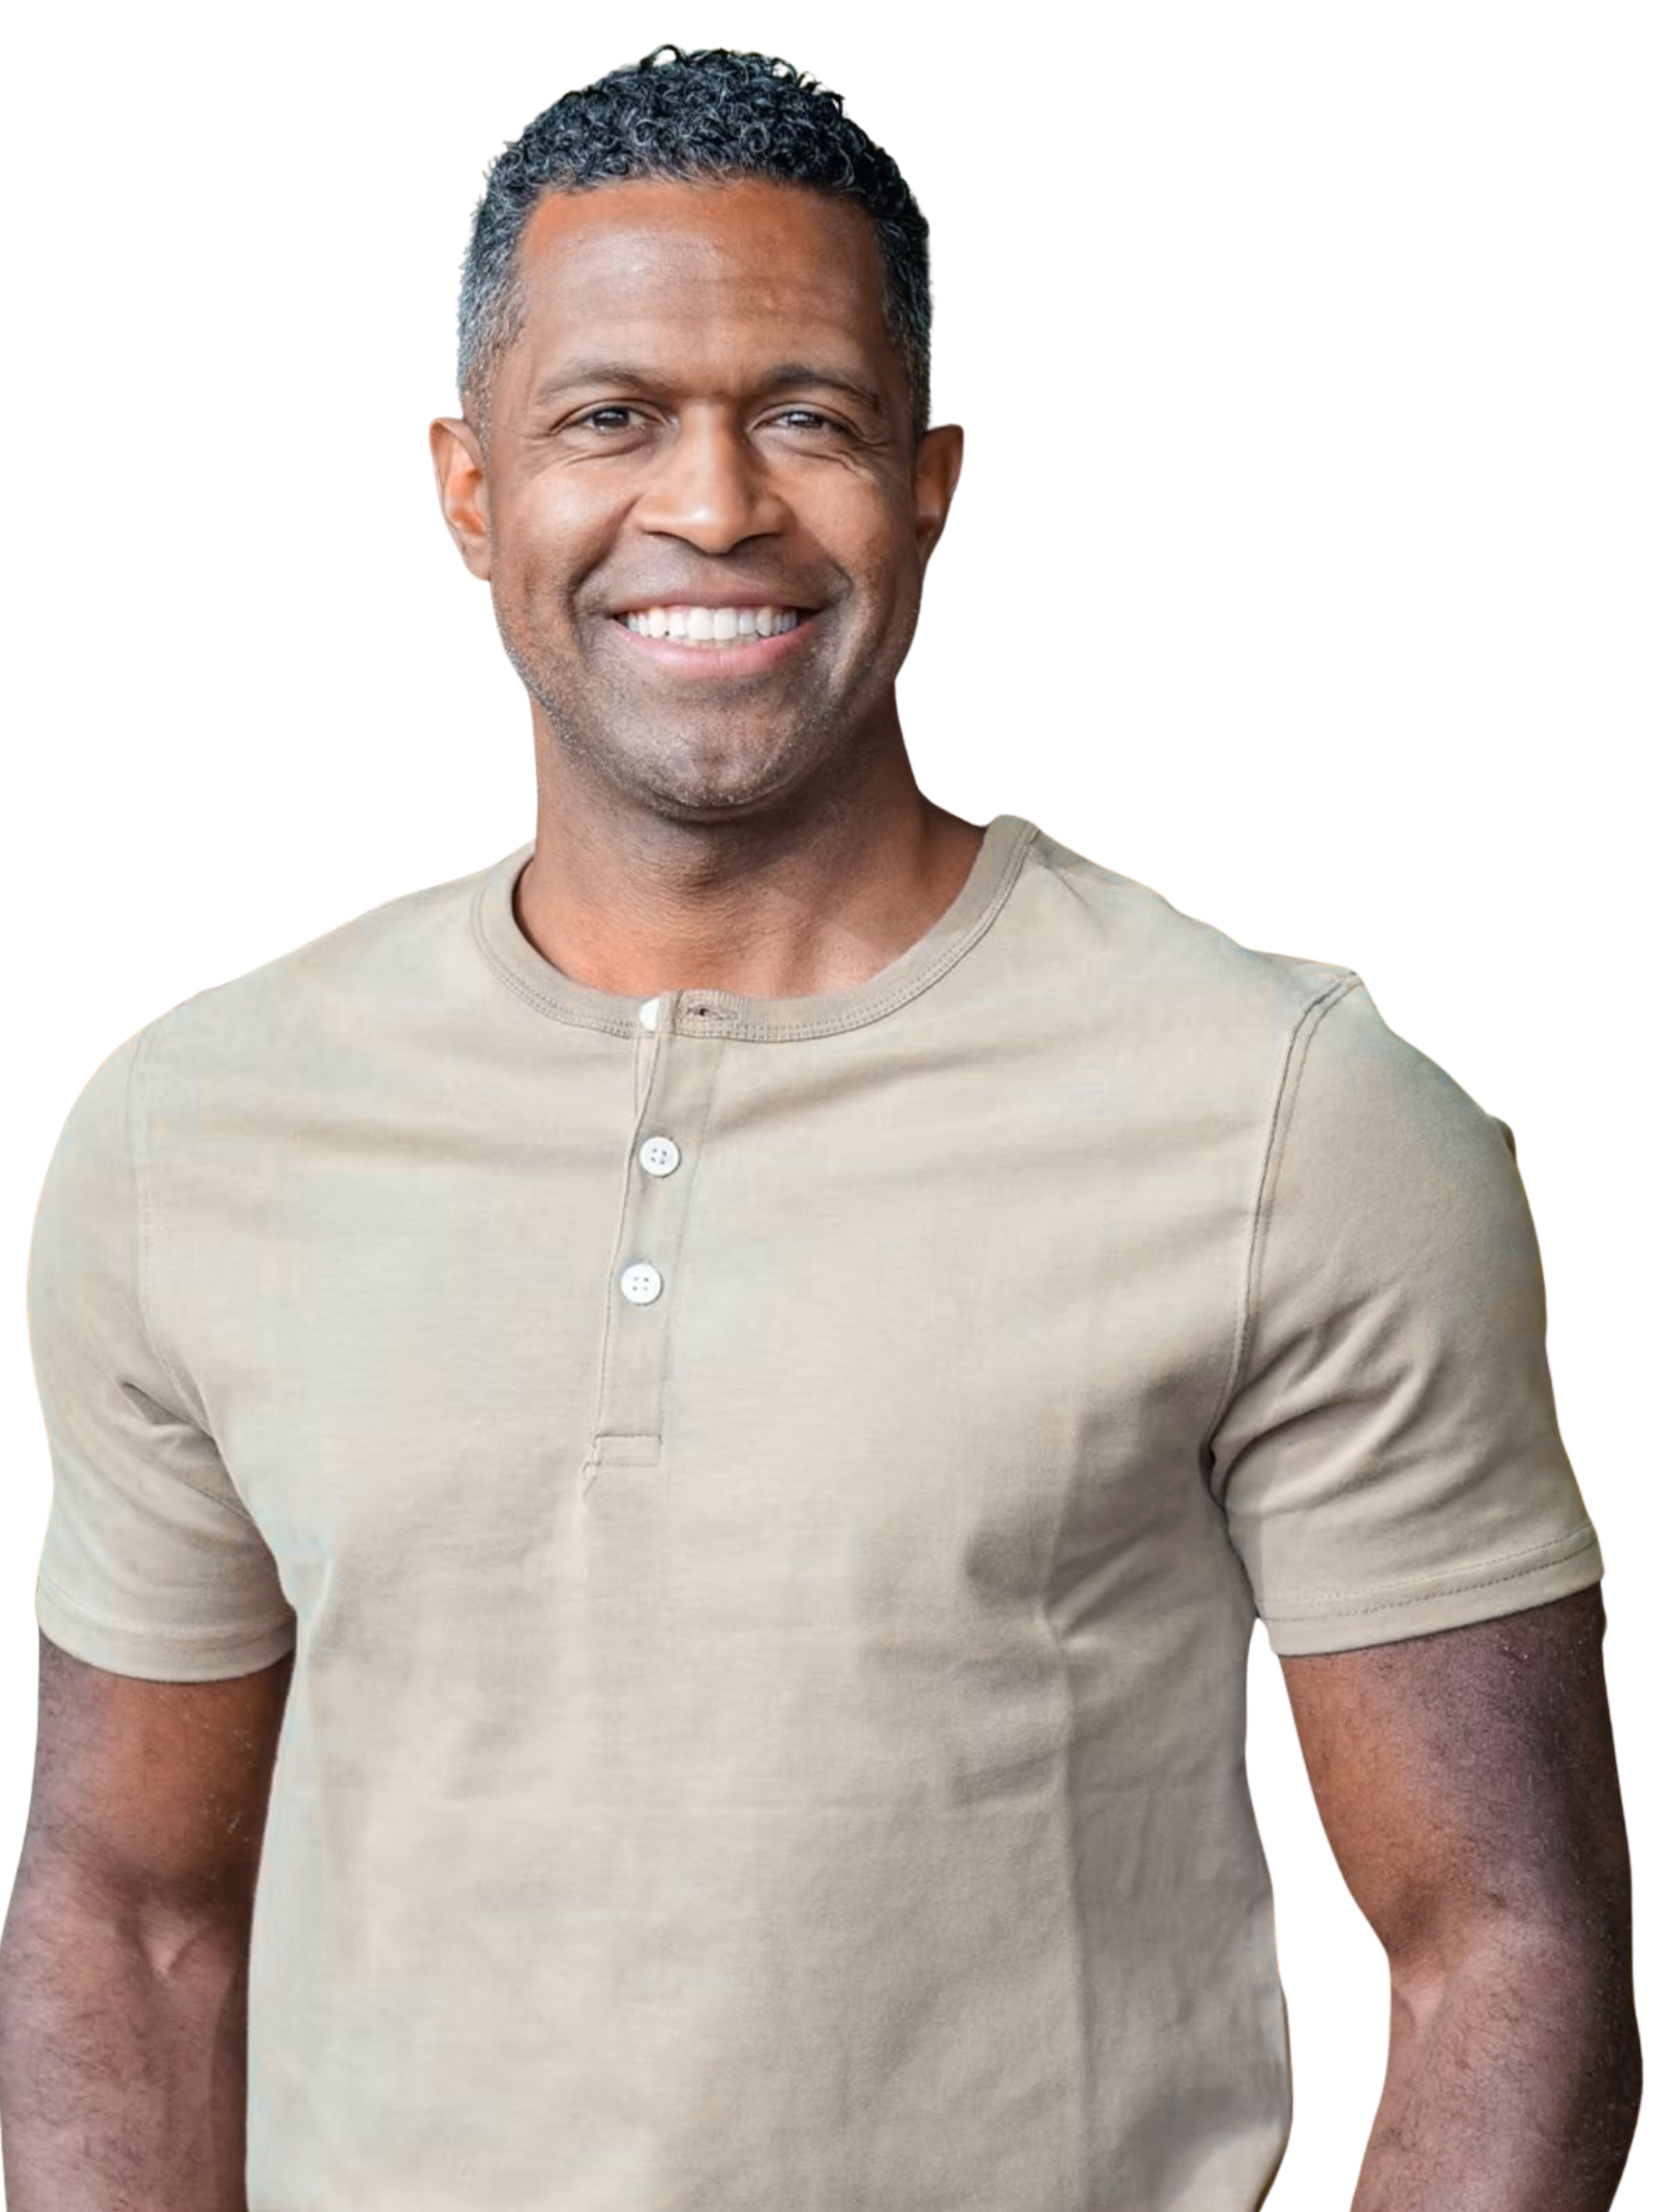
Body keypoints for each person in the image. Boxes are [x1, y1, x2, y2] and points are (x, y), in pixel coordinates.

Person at [4, 42, 1640, 2212]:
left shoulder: (1287, 1113)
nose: (713, 507)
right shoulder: (186, 1128)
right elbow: (127, 1911)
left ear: (934, 483)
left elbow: (1502, 1947)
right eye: (608, 418)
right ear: (465, 495)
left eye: (807, 416)